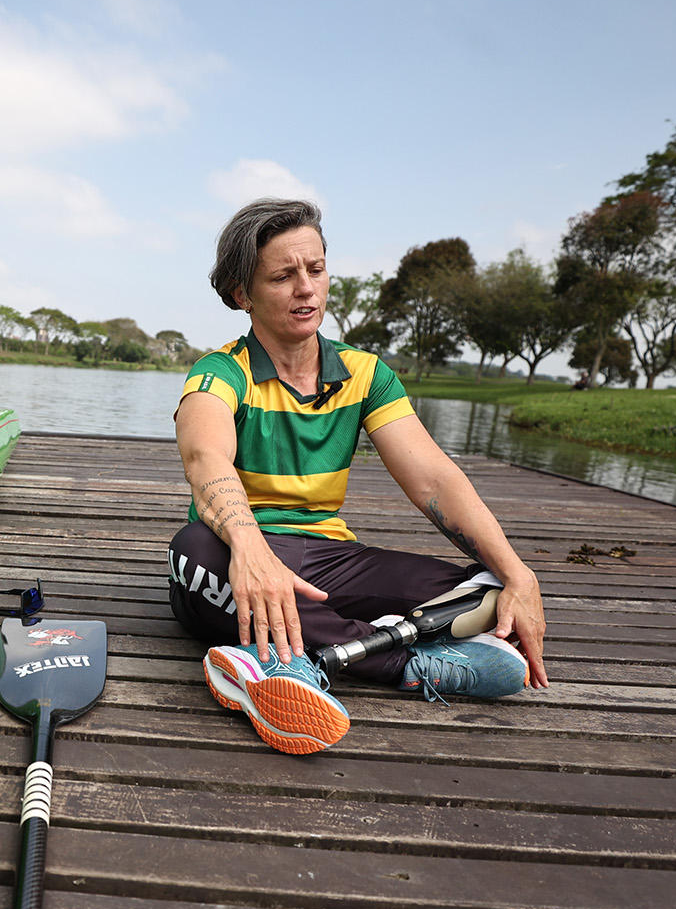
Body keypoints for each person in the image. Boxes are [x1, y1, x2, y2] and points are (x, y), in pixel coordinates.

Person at [171, 198, 548, 754]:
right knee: (193, 553)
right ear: (240, 293)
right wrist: (250, 548)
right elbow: (206, 459)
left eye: (315, 270)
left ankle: (282, 656)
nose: (306, 288)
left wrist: (519, 574)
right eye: (283, 276)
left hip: (328, 559)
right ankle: (408, 664)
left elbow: (434, 481)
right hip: (236, 552)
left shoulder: (365, 373)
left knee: (489, 588)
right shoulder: (220, 373)